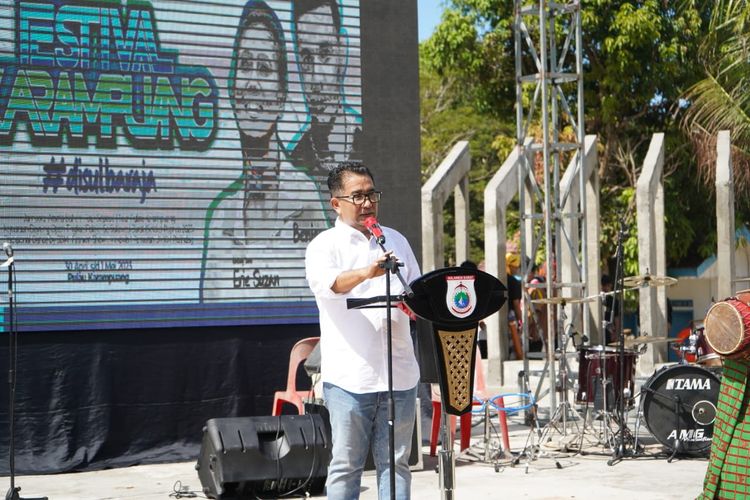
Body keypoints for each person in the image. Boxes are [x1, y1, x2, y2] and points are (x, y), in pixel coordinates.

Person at [200, 1, 329, 301]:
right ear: (232, 90)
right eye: (245, 66)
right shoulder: (221, 217)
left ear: (282, 96)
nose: (253, 84)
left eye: (264, 68)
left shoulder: (305, 202)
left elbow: (324, 294)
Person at [305, 162, 420, 499]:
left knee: (396, 463)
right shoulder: (324, 245)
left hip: (399, 372)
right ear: (336, 203)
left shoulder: (395, 240)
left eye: (372, 194)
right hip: (351, 377)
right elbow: (329, 285)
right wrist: (368, 272)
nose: (368, 203)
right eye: (358, 196)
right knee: (346, 465)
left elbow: (415, 288)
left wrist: (416, 305)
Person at [290, 0, 362, 179]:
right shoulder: (294, 164)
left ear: (342, 52)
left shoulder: (367, 145)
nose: (316, 78)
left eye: (325, 54)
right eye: (306, 58)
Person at [506, 252, 524, 359]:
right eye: (515, 266)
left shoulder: (498, 279)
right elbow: (516, 304)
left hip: (497, 319)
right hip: (511, 319)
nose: (517, 269)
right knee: (515, 348)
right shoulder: (513, 282)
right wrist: (521, 321)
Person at [602, 274, 621, 344]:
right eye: (606, 286)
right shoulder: (597, 300)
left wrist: (616, 334)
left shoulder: (614, 301)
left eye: (609, 286)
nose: (608, 288)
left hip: (610, 333)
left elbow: (617, 319)